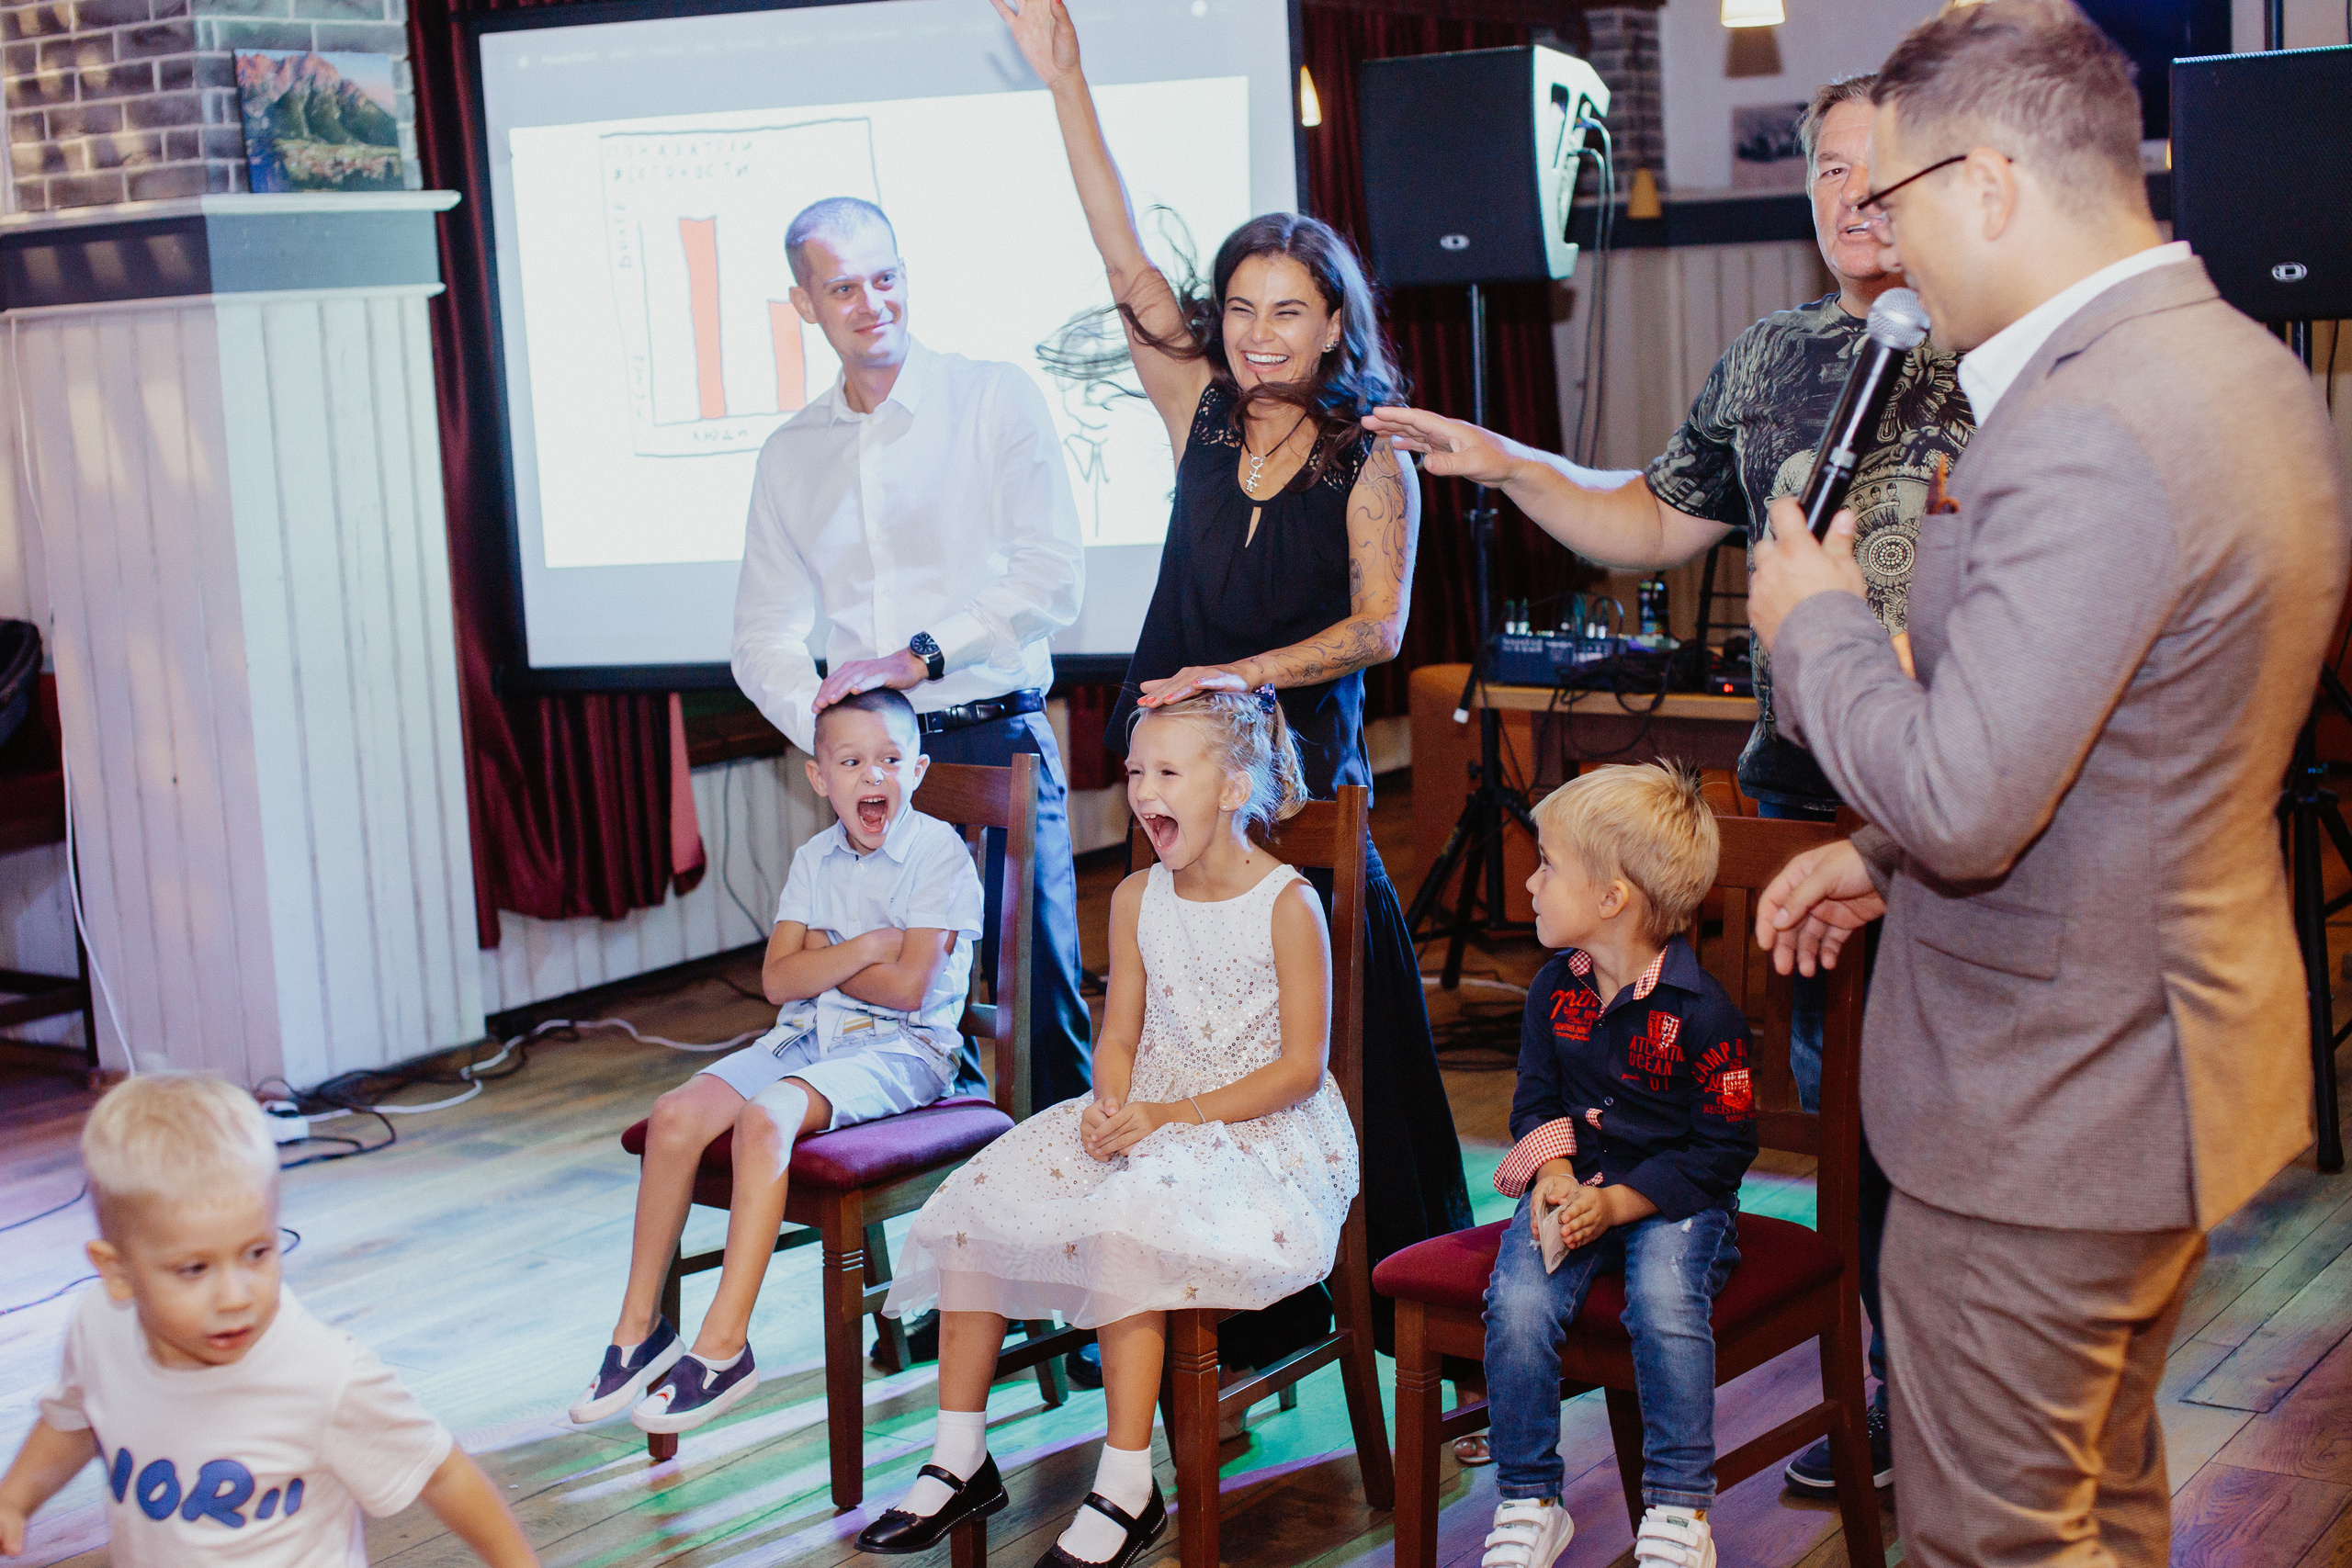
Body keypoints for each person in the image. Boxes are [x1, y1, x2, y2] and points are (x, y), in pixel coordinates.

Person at [1746, 5, 2348, 1563]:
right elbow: (2124, 728)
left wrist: (1814, 626)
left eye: (1899, 198)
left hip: (2048, 1108)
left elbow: (1972, 797)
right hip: (2160, 1060)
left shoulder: (2089, 422)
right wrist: (1878, 854)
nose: (1883, 241)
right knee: (2105, 1504)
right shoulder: (2240, 365)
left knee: (1998, 1540)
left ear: (1993, 180)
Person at [1363, 71, 1972, 1488]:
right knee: (1851, 1118)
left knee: (1967, 1131)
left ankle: (1978, 1404)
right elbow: (1647, 515)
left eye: (1881, 173)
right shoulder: (1773, 357)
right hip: (1808, 802)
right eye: (1827, 172)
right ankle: (1895, 1393)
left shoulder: (2004, 352)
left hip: (1966, 812)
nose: (1852, 201)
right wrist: (1508, 460)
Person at [990, 0, 1473, 1382]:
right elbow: (1122, 255)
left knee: (1328, 1047)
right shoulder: (1196, 408)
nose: (1261, 333)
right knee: (1181, 1031)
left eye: (1291, 312)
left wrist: (1241, 674)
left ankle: (1388, 1292)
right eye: (1244, 307)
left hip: (1298, 787)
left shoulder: (1375, 454)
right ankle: (1205, 1292)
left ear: (1335, 324)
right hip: (1176, 773)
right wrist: (1068, 79)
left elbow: (1380, 626)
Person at [861, 691, 1359, 1568]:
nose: (1142, 790)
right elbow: (1120, 1029)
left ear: (1234, 784)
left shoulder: (1287, 904)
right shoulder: (1136, 896)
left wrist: (1169, 1117)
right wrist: (1111, 1100)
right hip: (1152, 1113)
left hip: (1261, 1133)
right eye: (1135, 772)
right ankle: (958, 1454)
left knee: (1127, 1226)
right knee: (981, 1196)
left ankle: (1127, 1484)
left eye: (1168, 772)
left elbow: (1300, 1070)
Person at [731, 195, 1091, 1133]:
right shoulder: (789, 454)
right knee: (881, 1011)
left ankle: (1068, 1230)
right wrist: (832, 733)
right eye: (843, 287)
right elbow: (762, 632)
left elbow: (1053, 576)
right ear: (806, 303)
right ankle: (942, 1242)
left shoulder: (991, 395)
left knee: (1038, 1000)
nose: (871, 303)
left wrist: (918, 656)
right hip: (875, 774)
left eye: (884, 278)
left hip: (993, 737)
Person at [567, 689, 983, 1435]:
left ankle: (724, 1346)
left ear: (917, 769)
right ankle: (640, 1331)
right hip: (809, 1035)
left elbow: (908, 986)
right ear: (818, 776)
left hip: (903, 1047)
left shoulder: (937, 854)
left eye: (890, 760)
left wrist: (817, 961)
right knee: (674, 1117)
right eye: (851, 762)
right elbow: (775, 981)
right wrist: (857, 948)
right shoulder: (813, 859)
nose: (872, 777)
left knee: (766, 1118)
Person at [0, 1076, 537, 1568]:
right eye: (194, 1269)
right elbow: (75, 1420)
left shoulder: (322, 1373)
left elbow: (441, 1473)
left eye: (257, 1253)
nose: (236, 1297)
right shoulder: (99, 1327)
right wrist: (14, 1498)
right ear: (117, 1272)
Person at [1479, 764, 1752, 1568]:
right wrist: (1555, 1172)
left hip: (1675, 1198)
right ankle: (1529, 1498)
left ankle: (1677, 1511)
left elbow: (1723, 1151)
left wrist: (1623, 1203)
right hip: (1579, 1188)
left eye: (1548, 864)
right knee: (1519, 1295)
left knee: (1664, 1293)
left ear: (1611, 899)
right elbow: (1534, 1104)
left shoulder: (1704, 1015)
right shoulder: (1549, 993)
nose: (1530, 881)